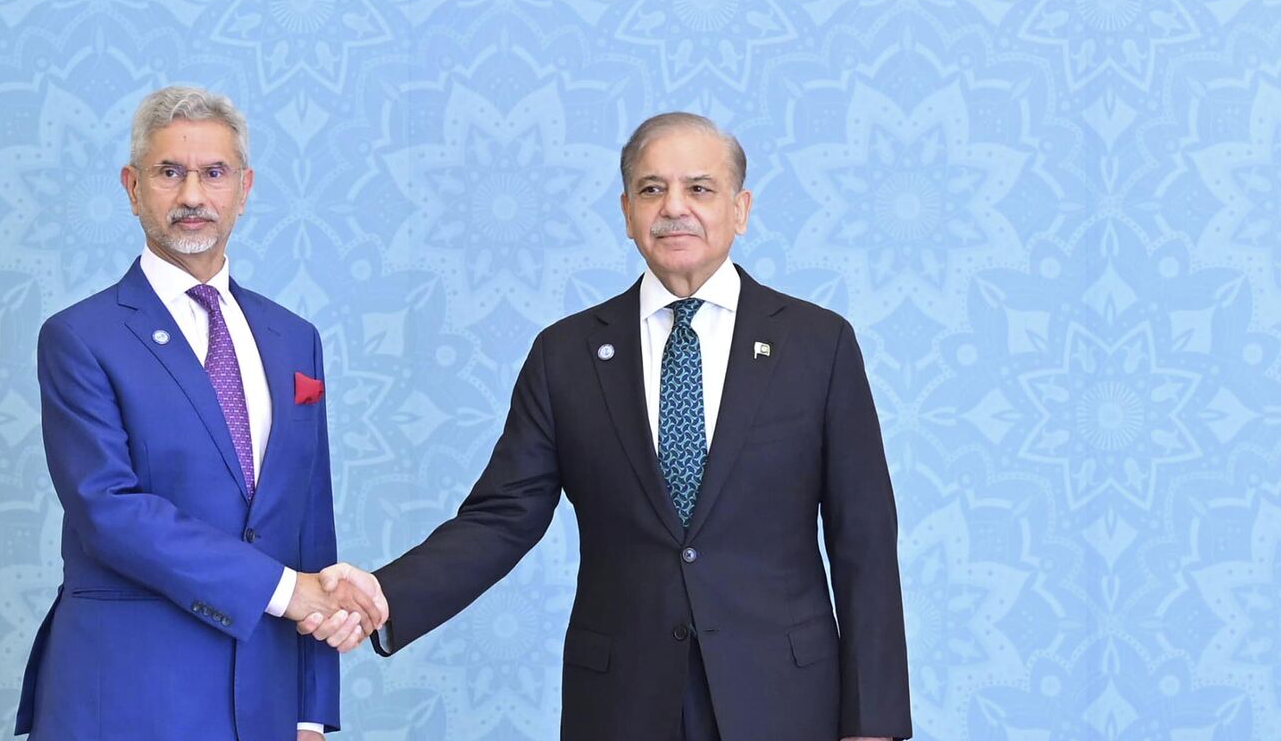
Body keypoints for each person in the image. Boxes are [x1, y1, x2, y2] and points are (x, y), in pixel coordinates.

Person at [307, 112, 912, 740]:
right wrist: (384, 594)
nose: (674, 207)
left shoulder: (817, 344)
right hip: (622, 701)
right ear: (627, 212)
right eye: (652, 190)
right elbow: (501, 518)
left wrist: (873, 723)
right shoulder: (565, 354)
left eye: (699, 189)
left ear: (741, 208)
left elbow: (863, 539)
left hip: (784, 699)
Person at [15, 85, 384, 740]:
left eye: (214, 173)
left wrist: (310, 708)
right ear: (132, 188)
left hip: (264, 698)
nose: (192, 196)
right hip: (125, 693)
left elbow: (308, 523)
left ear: (244, 188)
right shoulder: (80, 337)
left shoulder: (294, 339)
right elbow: (111, 512)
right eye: (169, 172)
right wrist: (285, 589)